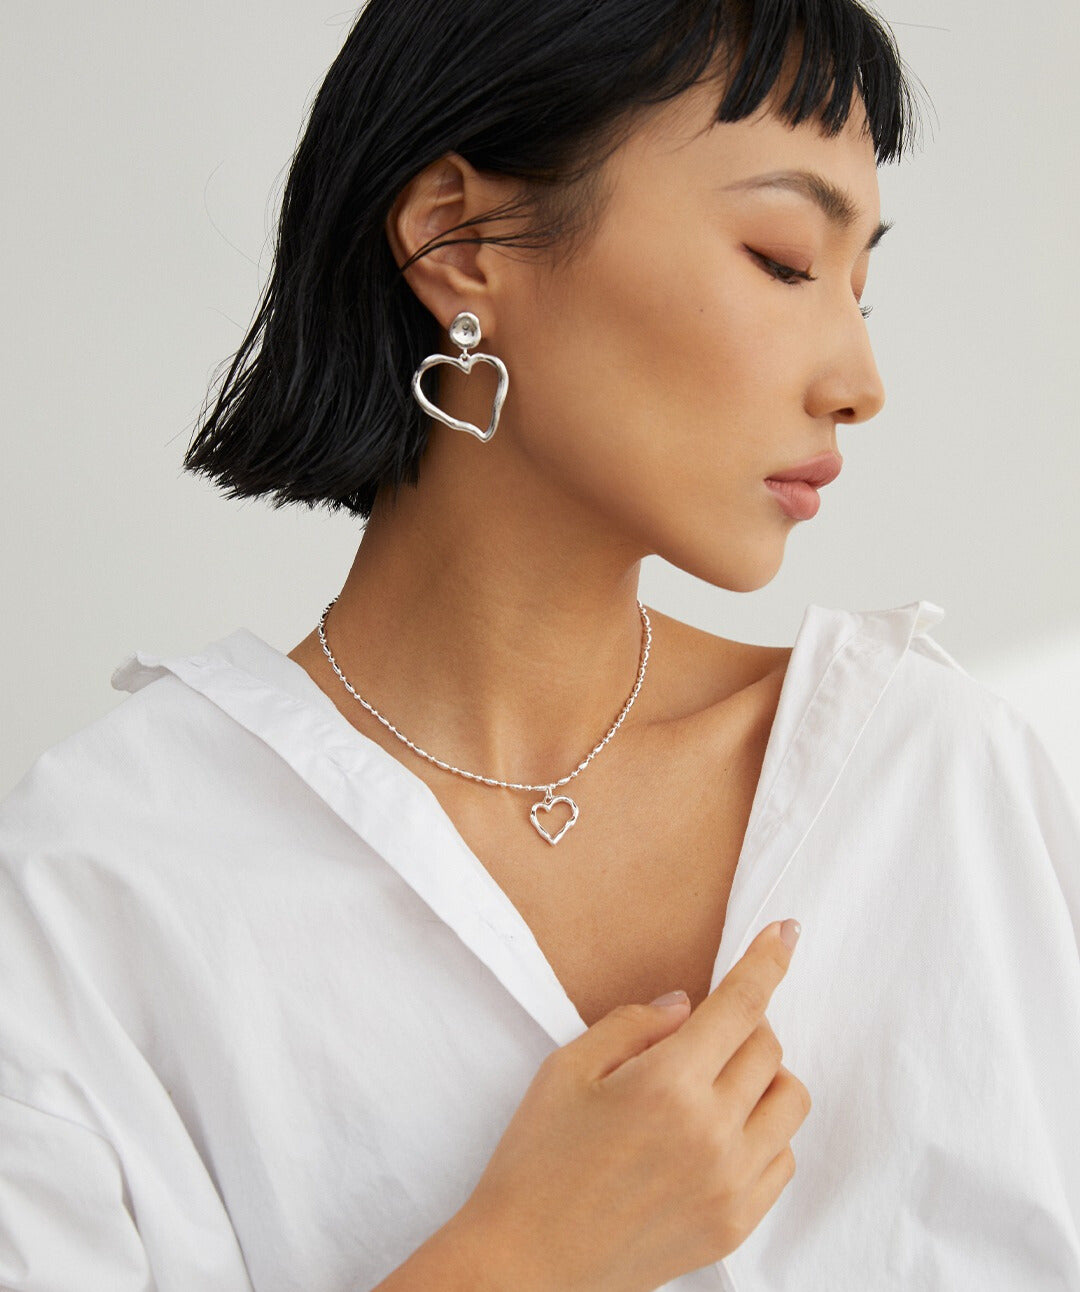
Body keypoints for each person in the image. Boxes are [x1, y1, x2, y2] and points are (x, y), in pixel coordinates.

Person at [2, 1, 1079, 1289]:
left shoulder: (945, 784)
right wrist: (523, 1258)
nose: (858, 376)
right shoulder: (98, 882)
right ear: (459, 239)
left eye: (862, 287)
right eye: (786, 260)